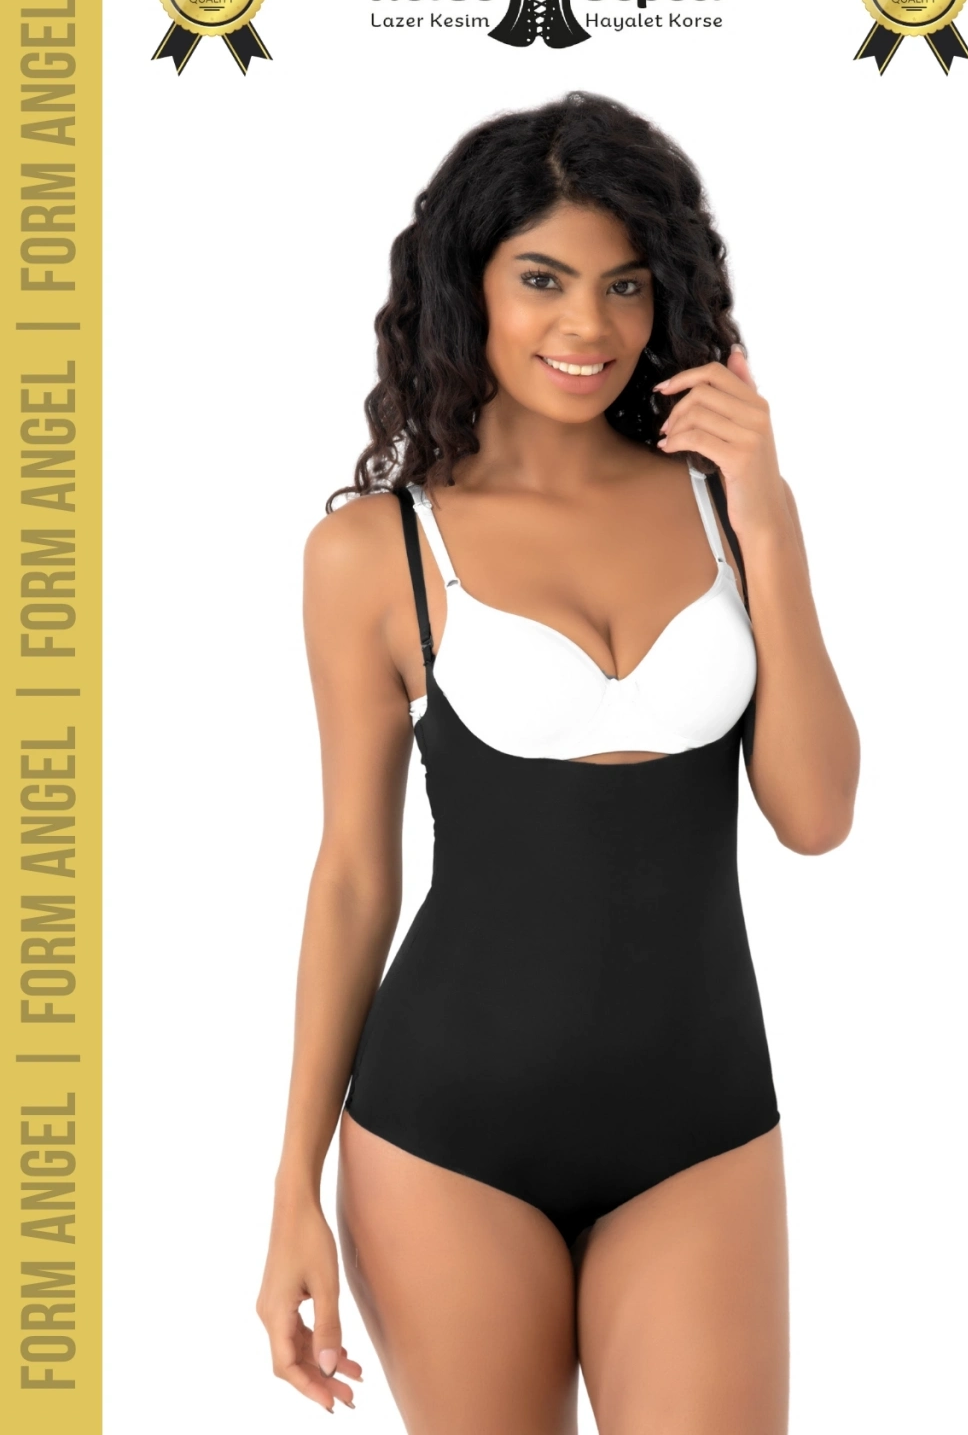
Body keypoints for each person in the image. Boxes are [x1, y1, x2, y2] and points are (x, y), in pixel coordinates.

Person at [256, 90, 859, 1433]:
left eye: (625, 284)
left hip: (702, 1128)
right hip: (443, 1138)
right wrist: (293, 1186)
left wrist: (768, 514)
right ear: (466, 286)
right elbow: (353, 876)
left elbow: (816, 814)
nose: (589, 327)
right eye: (543, 279)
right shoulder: (375, 552)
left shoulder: (726, 511)